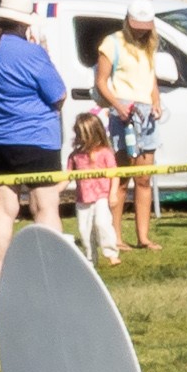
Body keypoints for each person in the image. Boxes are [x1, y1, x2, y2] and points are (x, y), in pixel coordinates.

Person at [0, 0, 67, 293]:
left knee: (2, 206)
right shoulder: (32, 53)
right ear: (25, 23)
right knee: (44, 206)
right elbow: (58, 95)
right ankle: (50, 275)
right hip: (36, 140)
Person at [92, 0, 164, 253]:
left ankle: (143, 237)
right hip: (124, 112)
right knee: (121, 179)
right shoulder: (111, 43)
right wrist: (119, 107)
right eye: (138, 28)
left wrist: (156, 102)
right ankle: (116, 237)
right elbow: (101, 81)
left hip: (147, 115)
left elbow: (151, 79)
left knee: (143, 179)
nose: (142, 33)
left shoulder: (149, 46)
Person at [68, 111, 123, 268]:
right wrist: (55, 190)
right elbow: (67, 176)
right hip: (83, 199)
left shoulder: (105, 153)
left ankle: (111, 252)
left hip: (101, 196)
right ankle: (90, 259)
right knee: (84, 231)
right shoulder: (75, 156)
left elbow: (115, 174)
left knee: (102, 223)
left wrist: (113, 194)